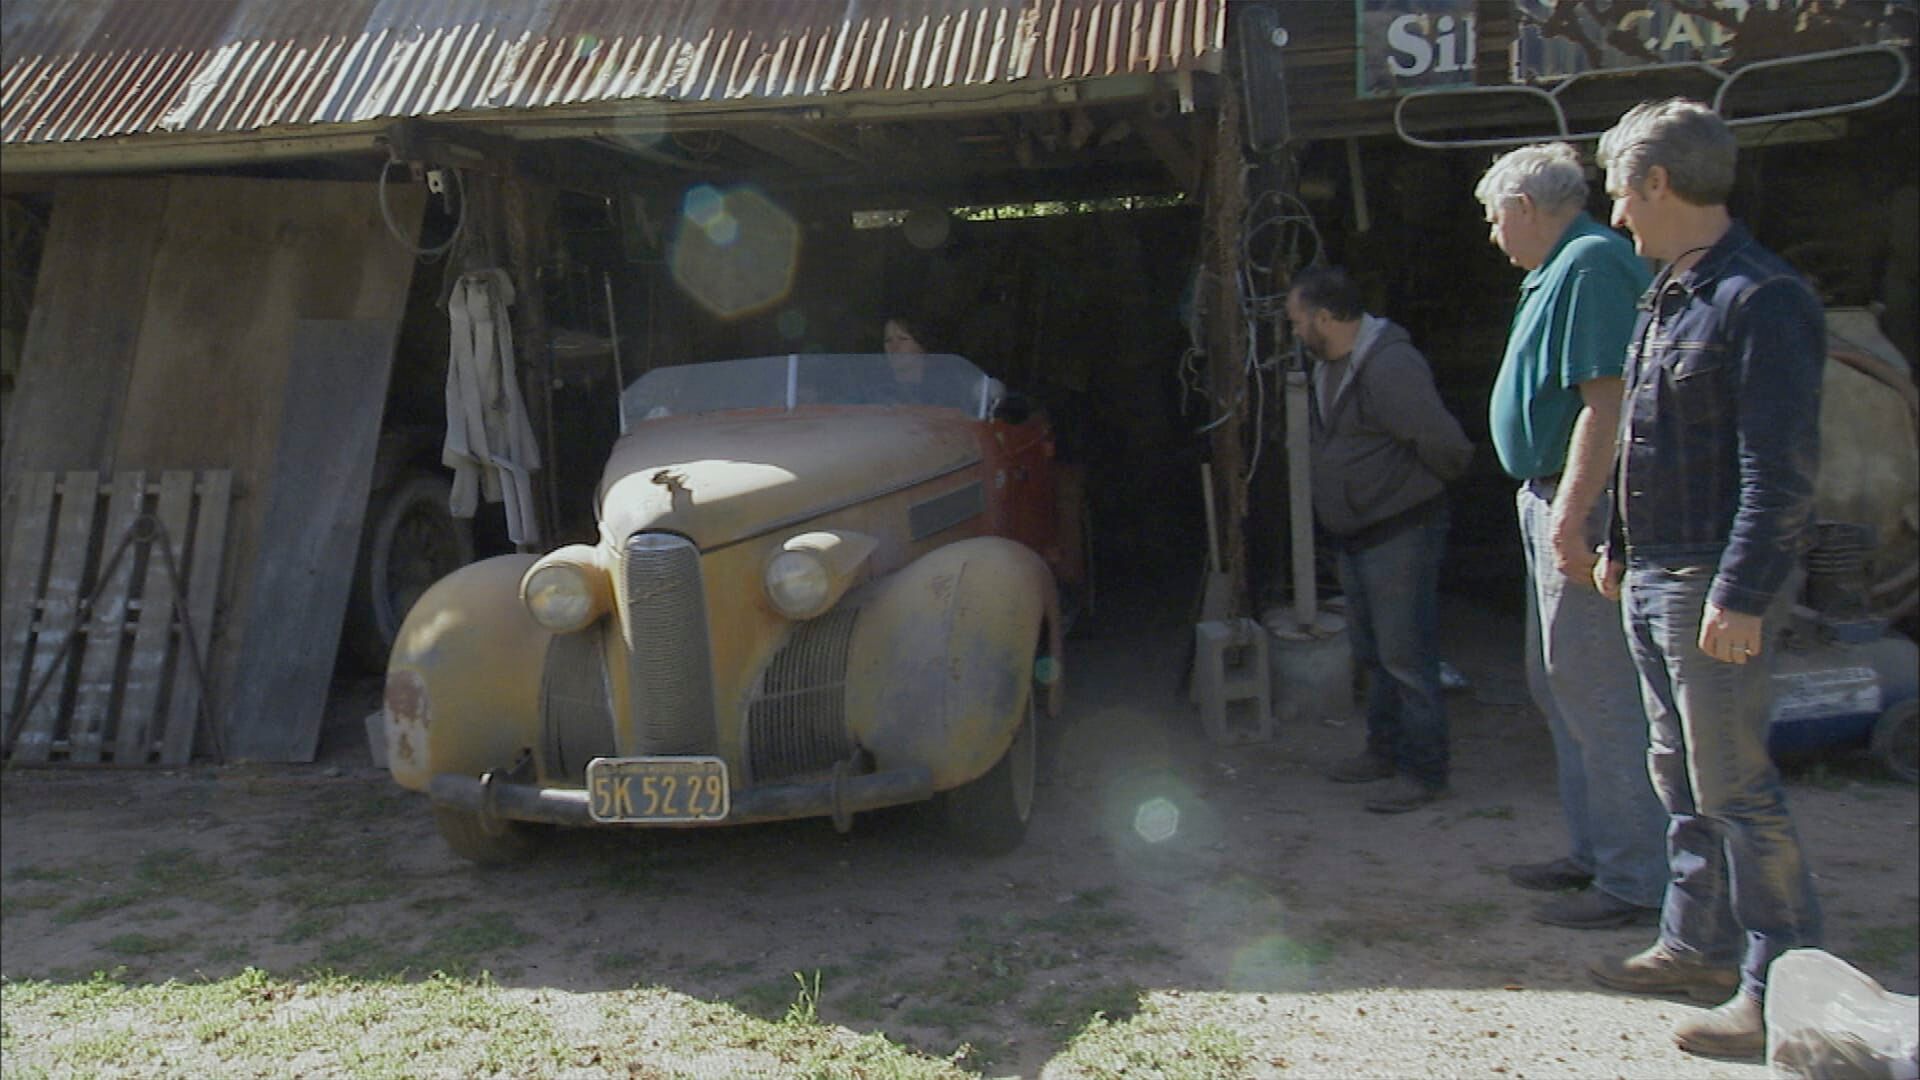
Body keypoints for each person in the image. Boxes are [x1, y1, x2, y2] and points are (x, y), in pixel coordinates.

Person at [1588, 99, 1825, 1059]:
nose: (1617, 217)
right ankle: (1695, 943)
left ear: (1656, 182)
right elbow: (1642, 432)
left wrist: (1743, 591)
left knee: (1736, 788)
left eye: (1620, 193)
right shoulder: (1669, 290)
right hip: (1654, 571)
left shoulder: (1762, 299)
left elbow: (1781, 470)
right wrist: (1613, 537)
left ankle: (1781, 980)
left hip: (1707, 583)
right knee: (1677, 774)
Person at [1473, 143, 1669, 930]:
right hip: (1550, 493)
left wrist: (1574, 511)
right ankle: (1597, 852)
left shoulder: (1588, 264)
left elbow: (1608, 401)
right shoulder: (1557, 270)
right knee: (1558, 681)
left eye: (1495, 219)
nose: (1494, 236)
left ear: (1524, 206)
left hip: (1576, 500)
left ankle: (1634, 878)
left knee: (1596, 688)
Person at [1287, 266, 1473, 814]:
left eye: (1299, 321)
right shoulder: (1330, 366)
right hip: (1361, 533)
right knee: (1374, 651)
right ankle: (1384, 751)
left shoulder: (1389, 365)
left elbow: (1442, 443)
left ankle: (1424, 771)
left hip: (1400, 529)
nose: (1296, 333)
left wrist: (1413, 493)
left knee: (1406, 656)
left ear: (1325, 317)